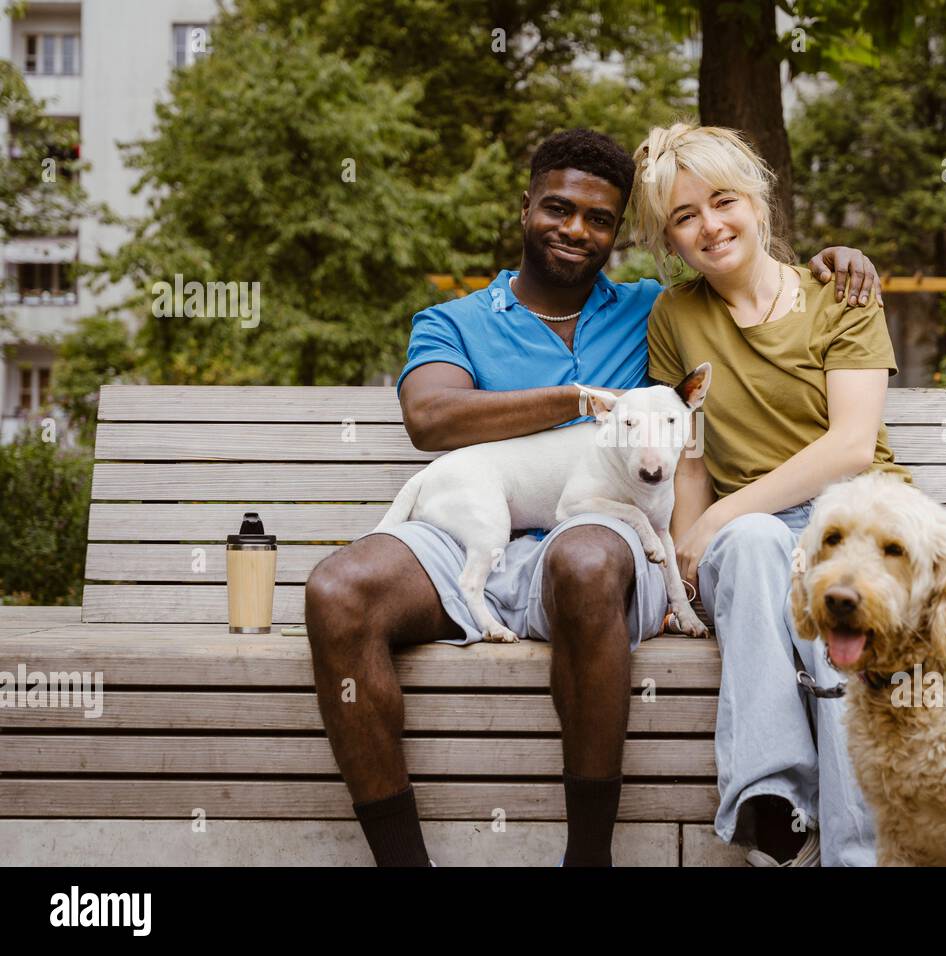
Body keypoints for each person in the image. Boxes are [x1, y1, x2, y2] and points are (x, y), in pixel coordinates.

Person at [303, 127, 884, 867]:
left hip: (597, 545)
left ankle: (589, 859)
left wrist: (837, 261)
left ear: (619, 234)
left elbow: (742, 277)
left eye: (599, 219)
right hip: (470, 531)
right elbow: (431, 419)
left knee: (582, 559)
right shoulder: (454, 321)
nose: (576, 229)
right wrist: (578, 400)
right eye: (557, 208)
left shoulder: (656, 309)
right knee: (337, 590)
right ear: (525, 209)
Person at [630, 122, 914, 866]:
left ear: (757, 200)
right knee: (754, 544)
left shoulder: (840, 294)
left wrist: (724, 512)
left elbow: (852, 446)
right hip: (753, 545)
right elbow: (690, 460)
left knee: (832, 587)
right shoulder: (675, 315)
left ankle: (856, 853)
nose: (709, 226)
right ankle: (773, 803)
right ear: (670, 238)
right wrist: (681, 570)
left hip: (858, 520)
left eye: (721, 201)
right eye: (684, 217)